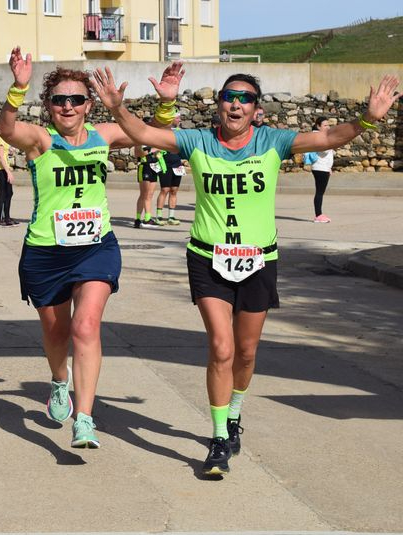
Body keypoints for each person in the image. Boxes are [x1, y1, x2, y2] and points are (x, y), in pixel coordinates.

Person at [92, 63, 401, 476]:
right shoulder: (197, 141)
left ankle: (234, 411)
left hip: (258, 260)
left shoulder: (274, 141)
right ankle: (219, 437)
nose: (236, 104)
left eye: (246, 99)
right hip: (208, 257)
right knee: (221, 347)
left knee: (247, 351)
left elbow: (329, 136)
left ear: (256, 109)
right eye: (228, 97)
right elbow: (145, 135)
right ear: (219, 105)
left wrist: (368, 119)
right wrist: (117, 108)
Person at [0, 47, 137, 449]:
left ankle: (85, 417)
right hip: (46, 251)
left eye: (77, 99)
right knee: (56, 331)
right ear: (50, 106)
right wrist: (17, 88)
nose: (68, 106)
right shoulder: (41, 140)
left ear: (89, 104)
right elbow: (7, 130)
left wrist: (162, 105)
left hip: (96, 247)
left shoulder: (103, 135)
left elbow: (150, 135)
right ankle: (60, 381)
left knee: (85, 326)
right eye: (59, 100)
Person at [155, 115, 185, 226]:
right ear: (171, 119)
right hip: (165, 164)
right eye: (178, 118)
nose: (180, 120)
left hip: (177, 164)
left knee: (174, 190)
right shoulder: (163, 132)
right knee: (165, 190)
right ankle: (159, 216)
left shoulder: (180, 132)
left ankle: (171, 216)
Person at [305, 117, 335, 223]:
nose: (328, 127)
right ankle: (318, 215)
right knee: (319, 192)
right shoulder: (318, 136)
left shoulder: (321, 136)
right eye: (325, 125)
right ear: (318, 126)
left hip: (323, 168)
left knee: (320, 192)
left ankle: (319, 214)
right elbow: (323, 150)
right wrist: (332, 142)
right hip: (320, 168)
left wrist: (329, 168)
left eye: (328, 125)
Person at [134, 142, 163, 228]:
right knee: (144, 194)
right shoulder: (138, 140)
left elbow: (159, 153)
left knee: (150, 195)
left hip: (154, 166)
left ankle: (147, 218)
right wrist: (151, 150)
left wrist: (158, 152)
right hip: (144, 167)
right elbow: (137, 154)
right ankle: (139, 219)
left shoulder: (152, 139)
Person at [0, 131, 17, 226]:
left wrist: (10, 151)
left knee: (9, 193)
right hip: (0, 169)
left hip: (4, 168)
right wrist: (8, 172)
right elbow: (0, 156)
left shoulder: (3, 138)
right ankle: (1, 219)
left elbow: (3, 153)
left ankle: (7, 217)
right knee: (2, 193)